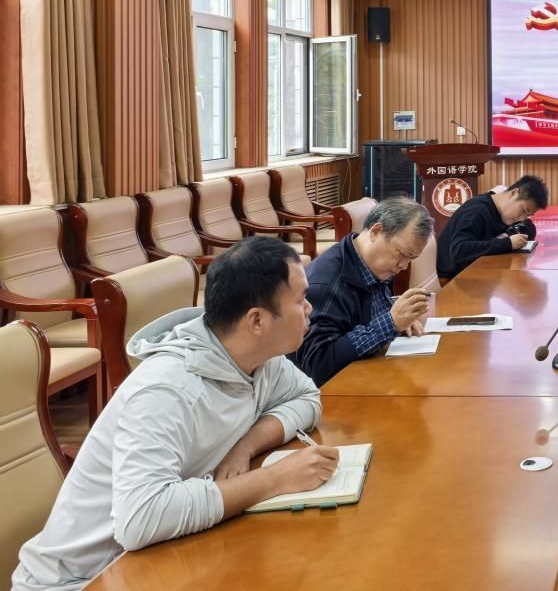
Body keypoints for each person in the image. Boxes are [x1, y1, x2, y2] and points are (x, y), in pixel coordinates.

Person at [14, 238, 339, 590]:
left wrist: (246, 445)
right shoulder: (166, 390)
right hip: (82, 580)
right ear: (256, 320)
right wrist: (274, 479)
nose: (310, 308)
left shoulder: (258, 358)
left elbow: (306, 397)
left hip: (159, 558)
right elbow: (140, 519)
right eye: (300, 300)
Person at [291, 197, 435, 386]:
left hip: (372, 374)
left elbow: (367, 314)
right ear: (376, 231)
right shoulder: (327, 284)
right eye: (401, 254)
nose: (404, 265)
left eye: (411, 258)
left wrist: (401, 319)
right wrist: (390, 323)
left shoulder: (373, 264)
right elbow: (318, 364)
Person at [436, 175, 548, 278]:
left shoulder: (504, 212)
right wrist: (506, 243)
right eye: (523, 210)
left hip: (478, 271)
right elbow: (459, 251)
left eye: (527, 215)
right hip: (455, 278)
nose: (522, 218)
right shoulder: (477, 210)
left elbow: (529, 227)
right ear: (513, 194)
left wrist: (505, 236)